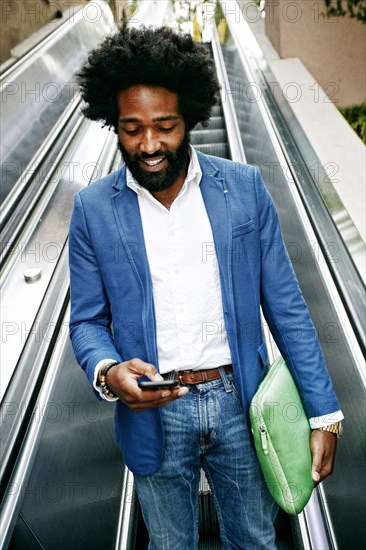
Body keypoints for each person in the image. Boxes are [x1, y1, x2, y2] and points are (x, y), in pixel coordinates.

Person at [69, 26, 343, 549]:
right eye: (132, 129)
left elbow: (286, 307)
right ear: (114, 124)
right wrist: (108, 371)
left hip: (242, 402)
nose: (149, 145)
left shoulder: (243, 188)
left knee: (256, 541)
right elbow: (86, 321)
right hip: (154, 411)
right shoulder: (92, 210)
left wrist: (324, 412)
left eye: (164, 126)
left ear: (189, 118)